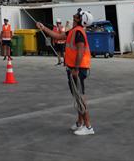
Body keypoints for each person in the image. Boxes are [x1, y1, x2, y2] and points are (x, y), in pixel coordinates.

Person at [37, 8, 95, 136]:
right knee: (77, 96)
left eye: (78, 14)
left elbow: (80, 51)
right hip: (73, 68)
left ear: (80, 19)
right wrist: (43, 28)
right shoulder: (74, 31)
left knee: (80, 97)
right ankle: (80, 123)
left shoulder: (79, 33)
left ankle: (88, 126)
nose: (75, 14)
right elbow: (58, 36)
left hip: (78, 69)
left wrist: (76, 68)